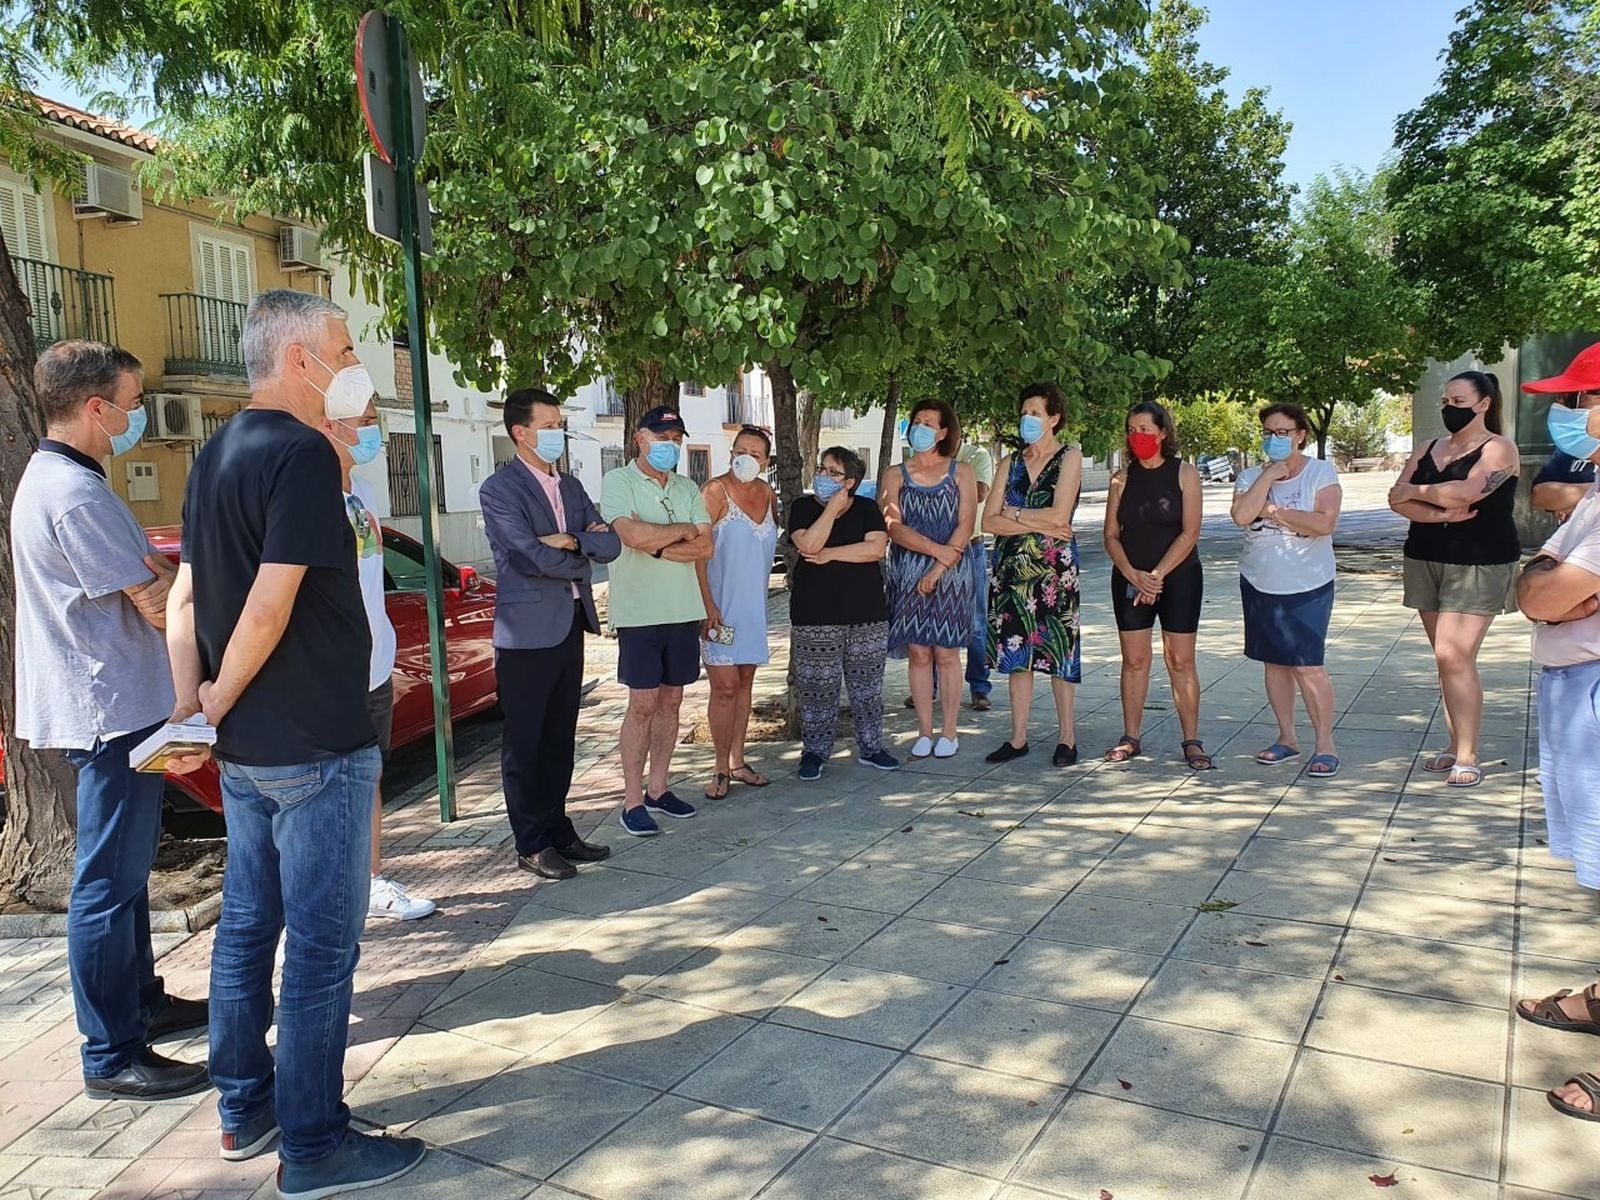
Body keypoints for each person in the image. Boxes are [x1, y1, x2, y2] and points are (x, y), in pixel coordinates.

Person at [168, 290, 425, 1191]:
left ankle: (246, 1110)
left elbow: (191, 601)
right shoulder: (303, 457)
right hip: (315, 741)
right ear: (297, 359)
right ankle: (315, 1144)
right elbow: (270, 604)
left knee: (246, 929)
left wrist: (200, 708)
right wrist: (217, 692)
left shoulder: (216, 455)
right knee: (321, 946)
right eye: (344, 347)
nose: (354, 363)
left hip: (248, 747)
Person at [10, 340, 210, 1101]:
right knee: (105, 883)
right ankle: (111, 1052)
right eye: (130, 405)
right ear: (95, 408)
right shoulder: (74, 493)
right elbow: (155, 600)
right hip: (111, 713)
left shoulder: (59, 479)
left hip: (112, 704)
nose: (135, 418)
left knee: (126, 877)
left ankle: (142, 1007)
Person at [1510, 349, 1600, 1123]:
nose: (1573, 416)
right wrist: (1547, 583)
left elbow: (1550, 593)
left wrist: (1546, 581)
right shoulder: (1592, 495)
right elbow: (1543, 591)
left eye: (1585, 399)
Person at [479, 388, 621, 879]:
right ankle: (532, 843)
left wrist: (575, 539)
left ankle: (560, 830)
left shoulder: (573, 487)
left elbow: (612, 544)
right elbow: (526, 554)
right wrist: (582, 552)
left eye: (560, 423)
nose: (559, 433)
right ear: (521, 432)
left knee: (561, 736)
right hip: (525, 633)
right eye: (550, 425)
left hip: (570, 623)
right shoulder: (499, 491)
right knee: (526, 741)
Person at [314, 398, 435, 921]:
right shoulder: (308, 496)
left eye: (374, 423)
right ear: (328, 425)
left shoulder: (360, 495)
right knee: (323, 791)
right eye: (363, 423)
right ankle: (323, 895)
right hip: (328, 675)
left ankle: (369, 881)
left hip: (374, 666)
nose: (372, 433)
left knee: (370, 777)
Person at [1388, 370, 1521, 789]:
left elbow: (1468, 493)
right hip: (1425, 556)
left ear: (1483, 404)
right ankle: (1454, 744)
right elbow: (1395, 497)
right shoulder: (1429, 446)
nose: (1449, 408)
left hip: (1479, 561)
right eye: (1445, 401)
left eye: (1459, 402)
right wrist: (1441, 511)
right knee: (1445, 659)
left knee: (1453, 655)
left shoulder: (1500, 448)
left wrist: (1421, 492)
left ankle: (1468, 754)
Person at [600, 406, 712, 835]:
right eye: (662, 436)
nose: (671, 445)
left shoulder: (687, 487)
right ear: (640, 438)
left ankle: (659, 789)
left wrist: (659, 543)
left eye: (677, 438)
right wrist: (679, 532)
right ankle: (631, 801)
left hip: (683, 610)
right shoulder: (619, 481)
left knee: (673, 702)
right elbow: (630, 536)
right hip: (640, 614)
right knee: (642, 705)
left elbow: (706, 547)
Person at [1230, 402, 1343, 779]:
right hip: (1260, 581)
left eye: (1282, 433)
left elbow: (1324, 523)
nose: (1274, 439)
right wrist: (1270, 476)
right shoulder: (1249, 477)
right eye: (1267, 433)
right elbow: (1241, 515)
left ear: (1300, 435)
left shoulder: (1321, 472)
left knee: (1307, 666)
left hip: (1307, 584)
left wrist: (1274, 511)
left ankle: (1325, 744)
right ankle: (1287, 738)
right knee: (1274, 663)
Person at [1102, 401, 1207, 768]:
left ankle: (1192, 740)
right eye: (1132, 430)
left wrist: (1156, 576)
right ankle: (1131, 736)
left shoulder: (1185, 474)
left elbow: (1190, 532)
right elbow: (1111, 535)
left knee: (1179, 659)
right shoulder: (1121, 478)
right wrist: (1133, 574)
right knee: (1134, 660)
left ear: (1163, 433)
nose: (1137, 437)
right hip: (1131, 577)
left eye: (1145, 429)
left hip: (1178, 578)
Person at [983, 383, 1083, 768]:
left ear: (1054, 418)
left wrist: (1014, 513)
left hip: (1056, 573)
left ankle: (1067, 738)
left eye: (1035, 413)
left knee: (1059, 653)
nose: (1027, 418)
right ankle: (1018, 737)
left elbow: (1060, 517)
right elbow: (989, 520)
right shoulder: (1009, 464)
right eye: (1024, 411)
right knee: (1016, 656)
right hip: (1011, 573)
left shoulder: (1070, 457)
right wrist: (1023, 519)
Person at [788, 447, 898, 781]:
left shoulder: (867, 508)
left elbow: (875, 549)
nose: (823, 475)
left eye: (832, 472)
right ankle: (815, 752)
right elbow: (808, 545)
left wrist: (831, 554)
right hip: (815, 616)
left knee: (867, 688)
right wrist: (831, 510)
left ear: (849, 481)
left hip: (865, 614)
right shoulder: (803, 508)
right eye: (822, 469)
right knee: (818, 690)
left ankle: (871, 746)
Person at [881, 398, 977, 759]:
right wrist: (934, 552)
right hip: (908, 570)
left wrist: (940, 565)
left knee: (947, 651)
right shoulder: (895, 474)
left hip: (952, 572)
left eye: (927, 422)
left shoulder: (962, 472)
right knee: (919, 652)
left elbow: (966, 524)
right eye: (915, 420)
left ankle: (949, 732)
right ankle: (923, 731)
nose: (918, 427)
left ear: (942, 432)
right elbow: (893, 526)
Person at [696, 425, 779, 799]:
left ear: (766, 461)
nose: (746, 457)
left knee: (745, 683)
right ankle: (718, 768)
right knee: (724, 686)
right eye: (740, 450)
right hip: (720, 611)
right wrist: (706, 604)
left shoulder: (767, 493)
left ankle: (738, 760)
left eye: (756, 453)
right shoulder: (714, 492)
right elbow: (697, 554)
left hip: (754, 611)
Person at [904, 436, 994, 712]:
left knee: (976, 623)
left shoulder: (976, 456)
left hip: (970, 549)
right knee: (926, 621)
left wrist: (940, 481)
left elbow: (978, 493)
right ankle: (928, 687)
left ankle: (979, 687)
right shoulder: (918, 460)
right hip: (929, 550)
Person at [1529, 346, 1600, 522]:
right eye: (1559, 398)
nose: (1560, 409)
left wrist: (1584, 499)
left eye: (1571, 399)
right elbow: (1539, 495)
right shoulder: (1575, 451)